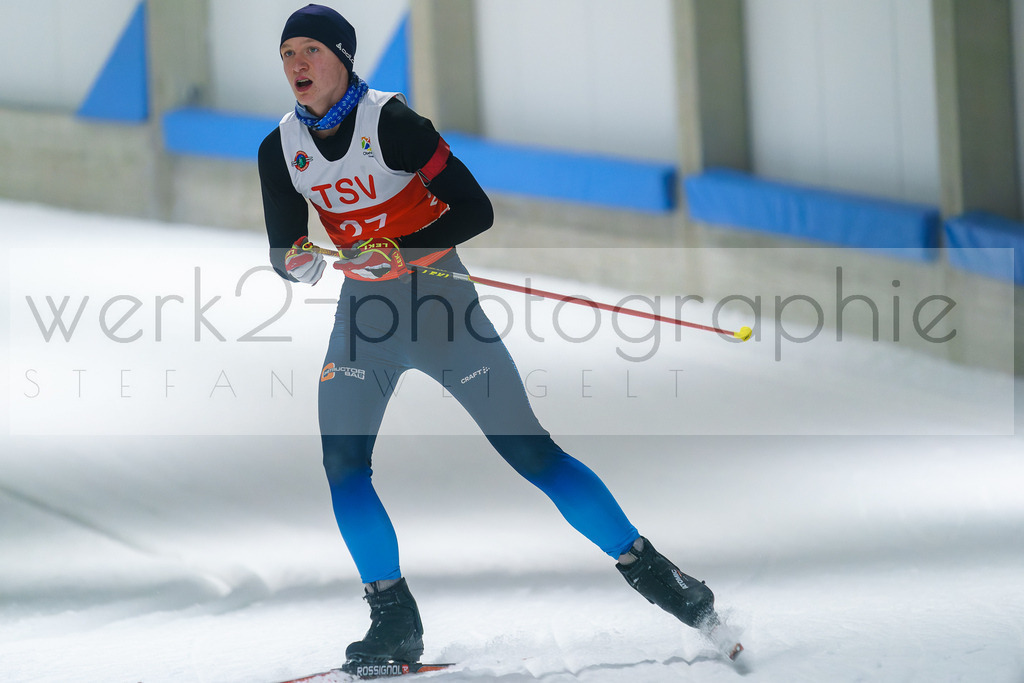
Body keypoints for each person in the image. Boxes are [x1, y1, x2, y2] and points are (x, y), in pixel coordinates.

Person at [259, 4, 719, 669]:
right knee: (342, 466)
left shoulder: (393, 124)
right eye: (287, 53)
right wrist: (296, 261)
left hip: (443, 309)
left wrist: (401, 250)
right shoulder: (279, 147)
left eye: (311, 50)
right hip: (365, 320)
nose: (297, 64)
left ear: (343, 58)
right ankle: (393, 617)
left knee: (531, 453)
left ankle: (657, 574)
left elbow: (476, 210)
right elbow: (286, 244)